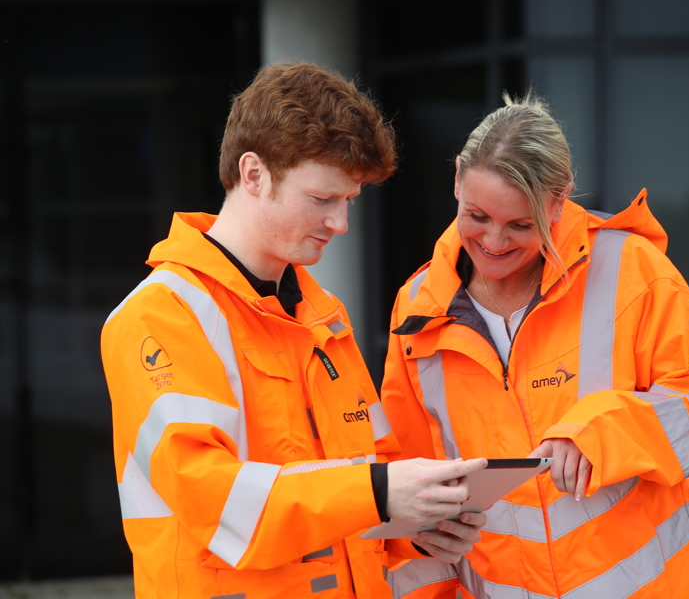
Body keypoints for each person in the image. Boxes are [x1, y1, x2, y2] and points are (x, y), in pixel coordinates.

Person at [100, 61, 488, 599]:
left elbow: (365, 481)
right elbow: (213, 500)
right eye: (322, 198)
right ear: (253, 174)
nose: (340, 224)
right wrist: (379, 493)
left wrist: (417, 527)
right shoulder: (160, 315)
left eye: (349, 201)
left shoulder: (323, 315)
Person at [381, 92, 689, 598]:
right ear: (457, 178)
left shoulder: (632, 269)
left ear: (560, 199)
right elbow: (405, 470)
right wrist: (419, 533)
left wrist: (601, 434)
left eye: (521, 225)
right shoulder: (415, 307)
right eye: (477, 216)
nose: (494, 242)